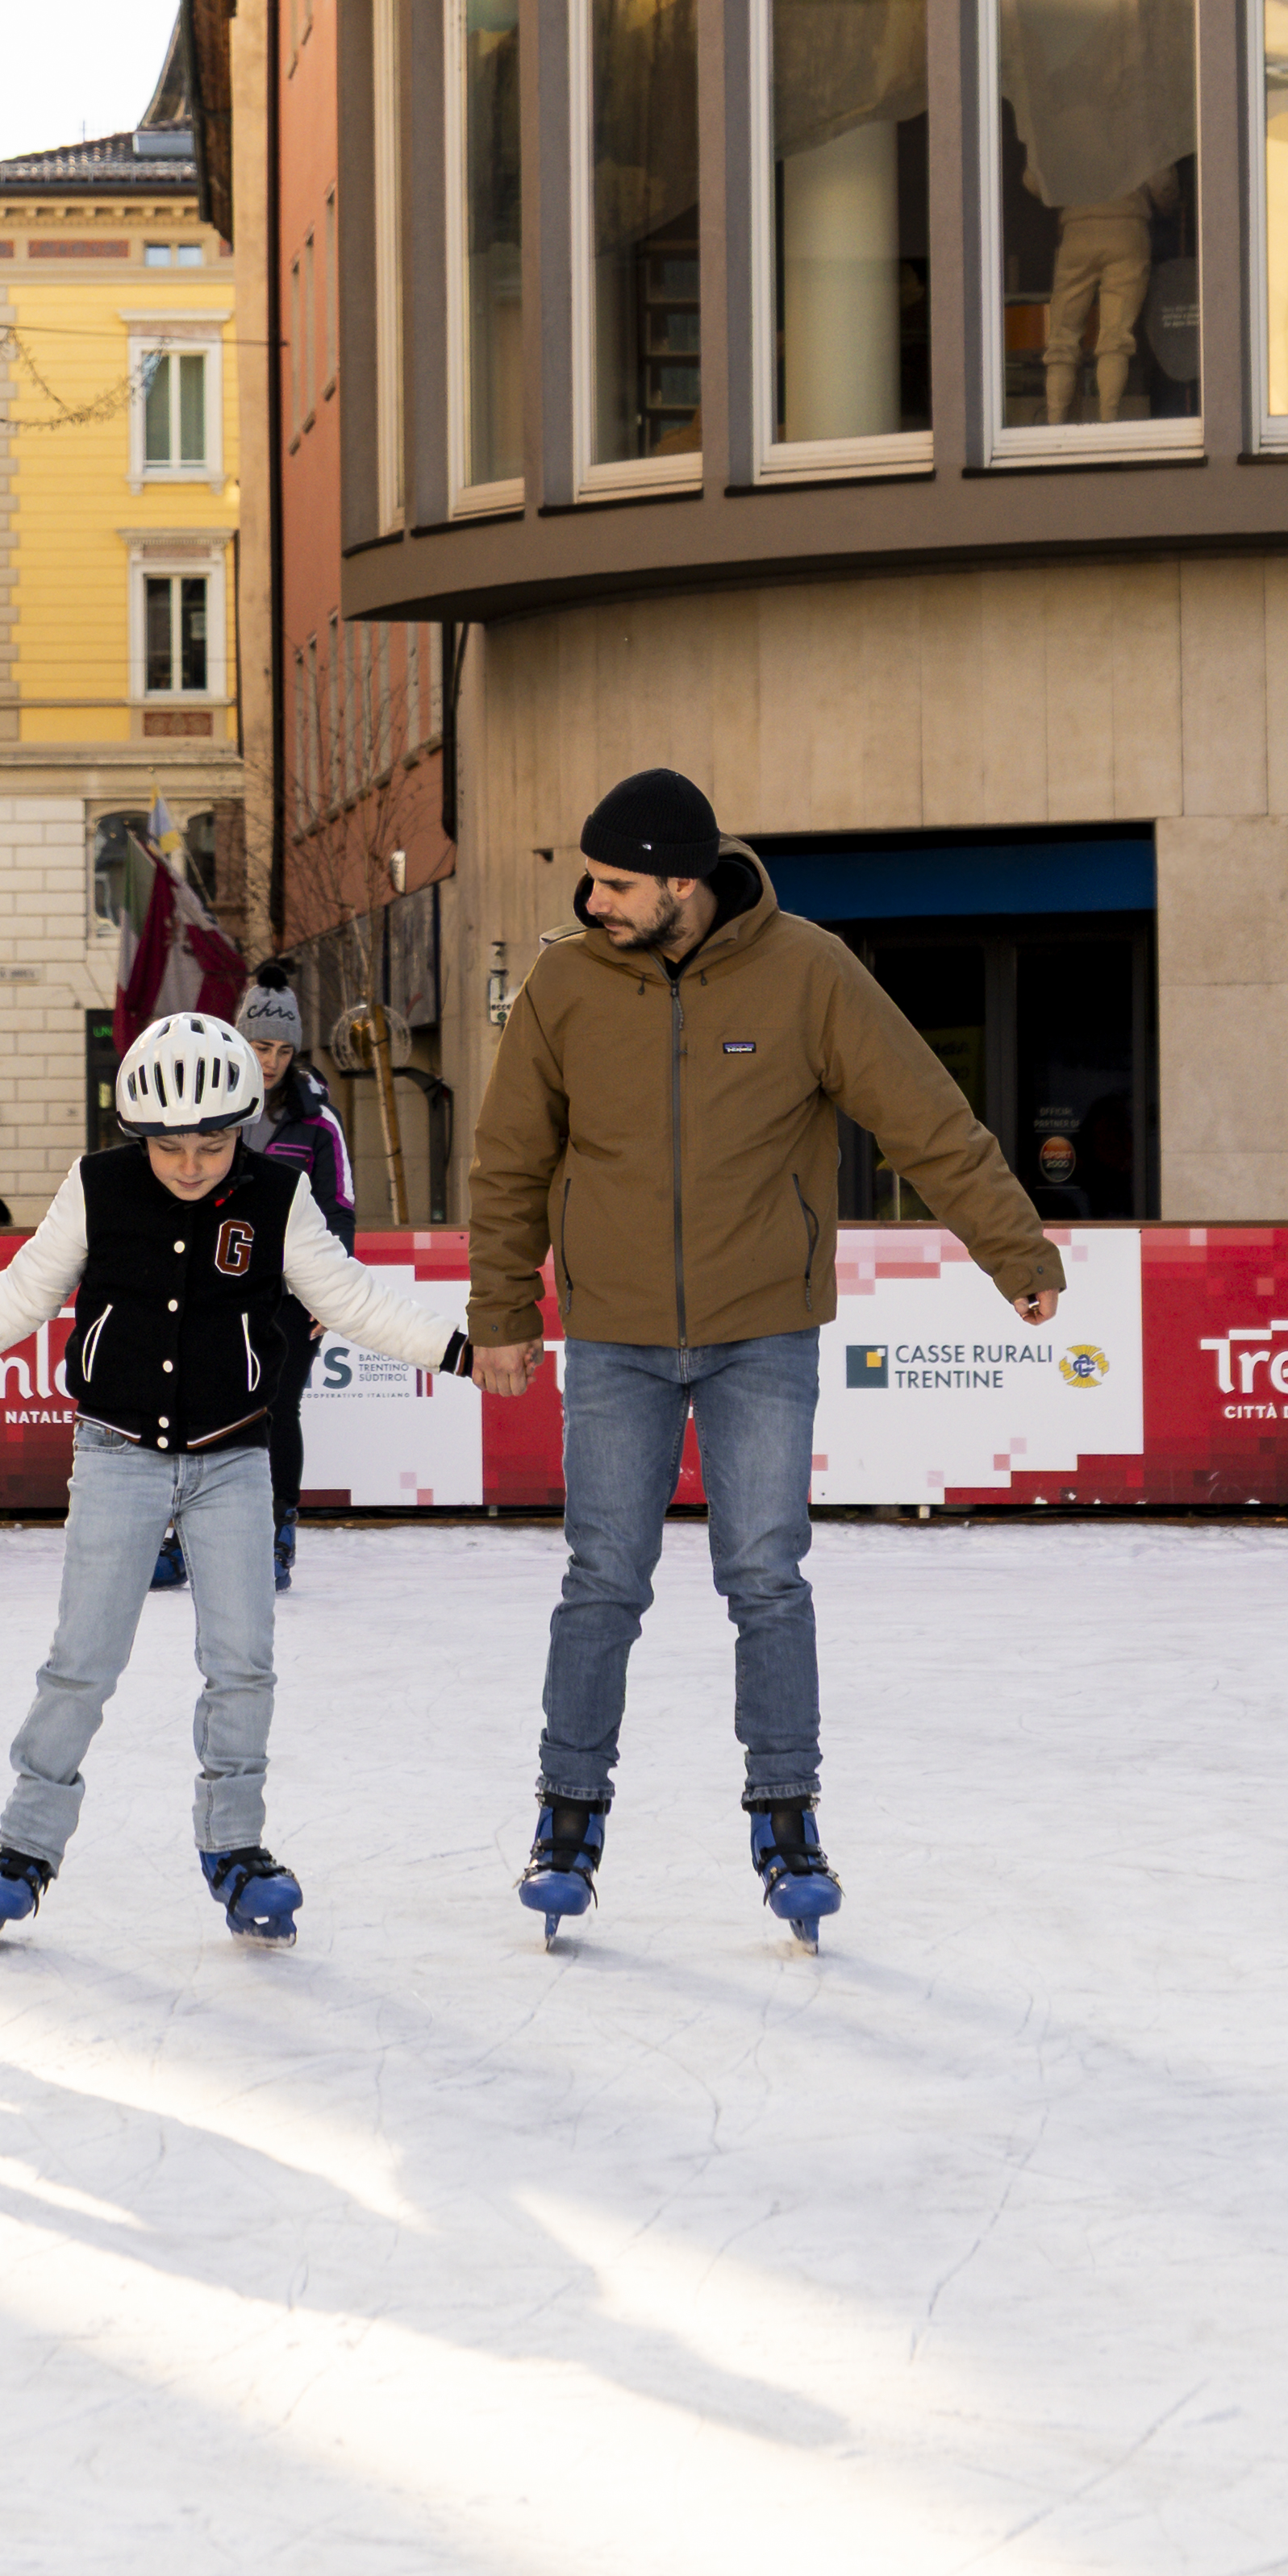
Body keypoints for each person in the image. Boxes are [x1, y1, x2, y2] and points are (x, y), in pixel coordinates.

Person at [465, 768, 1060, 1948]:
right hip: (620, 1337)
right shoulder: (567, 985)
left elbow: (924, 1116)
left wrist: (1013, 1248)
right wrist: (500, 1311)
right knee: (601, 1581)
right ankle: (566, 1817)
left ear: (684, 881)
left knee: (766, 1578)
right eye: (591, 878)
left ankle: (788, 1818)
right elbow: (509, 1158)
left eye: (619, 881)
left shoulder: (809, 971)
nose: (594, 900)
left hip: (762, 1332)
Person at [0, 1010, 469, 1949]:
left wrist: (459, 1351)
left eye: (213, 1142)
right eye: (172, 1146)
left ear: (242, 1124)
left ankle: (236, 1848)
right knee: (81, 1661)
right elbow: (24, 1290)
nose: (194, 1163)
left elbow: (354, 1300)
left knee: (242, 1662)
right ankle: (24, 1846)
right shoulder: (97, 1187)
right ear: (140, 1132)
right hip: (117, 1453)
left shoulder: (278, 1194)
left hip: (234, 1459)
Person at [236, 984, 355, 1592]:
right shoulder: (213, 1100)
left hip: (291, 1293)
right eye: (261, 1045)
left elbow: (339, 1208)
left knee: (277, 1407)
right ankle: (185, 1537)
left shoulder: (316, 1120)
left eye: (284, 1048)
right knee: (205, 1405)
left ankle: (278, 1533)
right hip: (222, 1286)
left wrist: (324, 1291)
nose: (272, 1060)